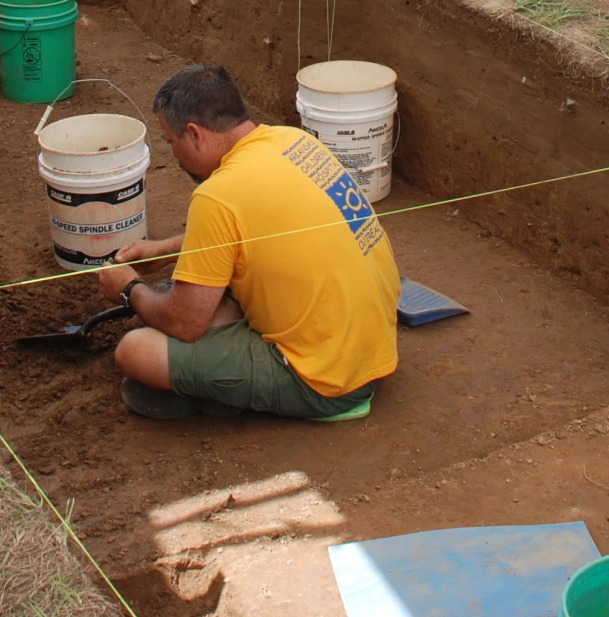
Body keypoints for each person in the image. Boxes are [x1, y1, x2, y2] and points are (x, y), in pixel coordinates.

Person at [95, 63, 400, 421]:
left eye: (170, 142)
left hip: (326, 381)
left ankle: (220, 395)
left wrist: (129, 289)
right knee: (176, 293)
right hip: (373, 348)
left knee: (136, 350)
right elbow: (252, 230)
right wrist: (162, 250)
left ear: (194, 134)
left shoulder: (217, 195)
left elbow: (184, 324)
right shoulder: (295, 141)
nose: (174, 156)